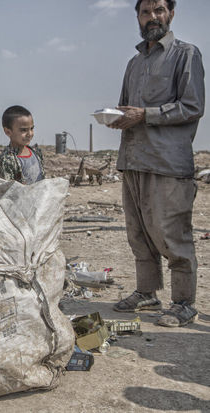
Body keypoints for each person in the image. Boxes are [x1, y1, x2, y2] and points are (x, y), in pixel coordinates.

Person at [108, 0, 205, 327]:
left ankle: (183, 303)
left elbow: (192, 107)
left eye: (159, 10)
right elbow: (129, 111)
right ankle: (147, 293)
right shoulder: (134, 63)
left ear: (171, 14)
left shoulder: (186, 54)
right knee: (139, 234)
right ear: (138, 17)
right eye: (146, 12)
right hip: (134, 160)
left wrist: (144, 115)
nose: (153, 17)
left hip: (168, 163)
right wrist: (120, 118)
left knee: (173, 234)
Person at [0, 105, 44, 184]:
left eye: (31, 128)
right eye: (23, 130)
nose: (29, 134)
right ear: (8, 132)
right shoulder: (7, 160)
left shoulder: (36, 153)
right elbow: (8, 190)